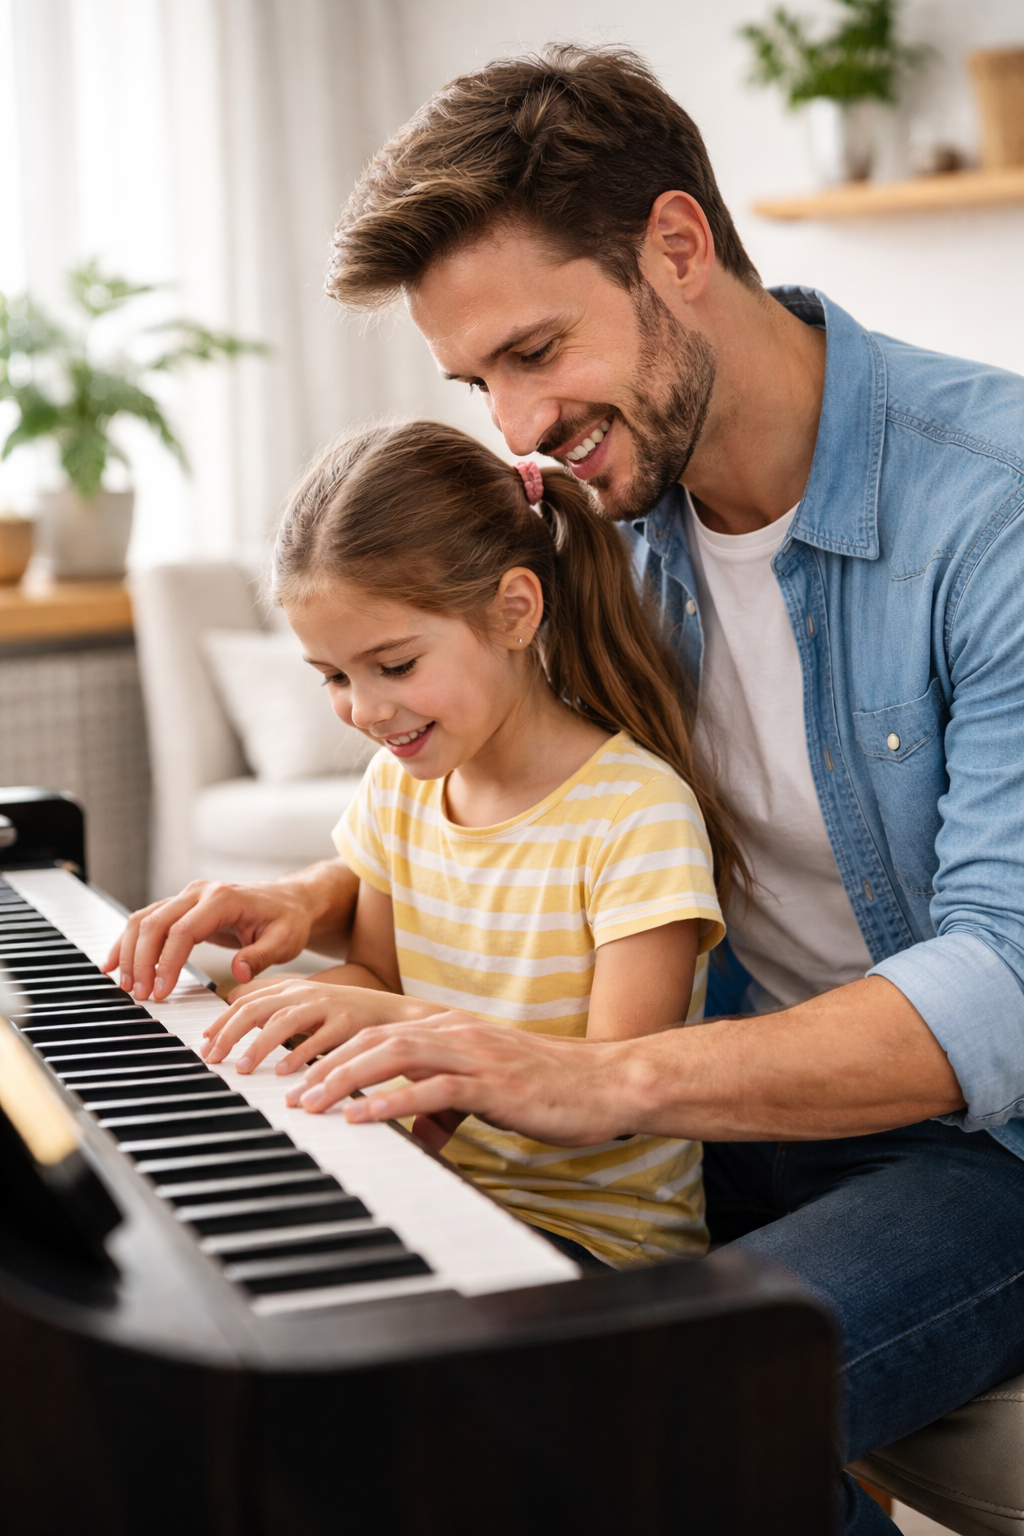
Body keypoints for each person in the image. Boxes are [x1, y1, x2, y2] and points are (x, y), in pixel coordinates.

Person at [105, 45, 1024, 1533]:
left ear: (678, 248)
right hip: (730, 1113)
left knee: (640, 1419)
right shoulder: (610, 516)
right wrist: (318, 895)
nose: (517, 428)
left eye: (536, 353)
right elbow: (519, 793)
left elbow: (1008, 983)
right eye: (479, 381)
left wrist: (590, 1077)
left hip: (980, 1153)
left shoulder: (996, 508)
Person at [196, 419, 734, 1269]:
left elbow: (617, 1088)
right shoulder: (400, 790)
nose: (364, 711)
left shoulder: (637, 815)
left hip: (598, 1244)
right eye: (335, 677)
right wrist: (254, 1027)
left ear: (514, 611)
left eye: (395, 666)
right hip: (434, 1194)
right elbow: (376, 977)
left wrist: (399, 1024)